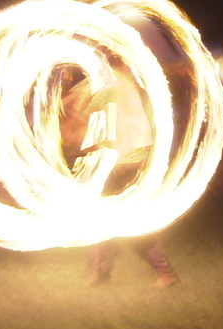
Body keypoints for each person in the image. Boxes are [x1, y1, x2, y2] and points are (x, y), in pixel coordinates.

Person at [61, 58, 178, 289]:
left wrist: (70, 123)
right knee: (100, 218)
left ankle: (164, 272)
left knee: (128, 220)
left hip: (123, 159)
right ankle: (101, 270)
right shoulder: (119, 83)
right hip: (122, 157)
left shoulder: (111, 84)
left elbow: (74, 105)